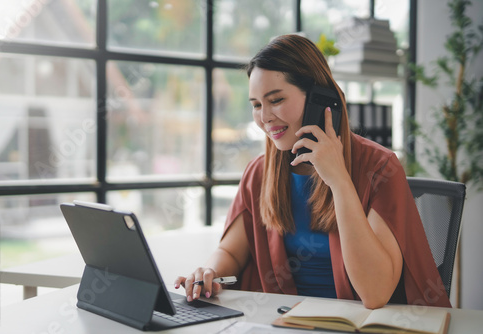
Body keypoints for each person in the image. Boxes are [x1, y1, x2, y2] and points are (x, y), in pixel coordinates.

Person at [174, 34, 451, 309]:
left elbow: (376, 293)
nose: (265, 117)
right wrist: (208, 272)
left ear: (321, 100)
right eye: (257, 105)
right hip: (283, 322)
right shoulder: (259, 172)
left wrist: (339, 180)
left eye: (276, 99)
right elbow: (230, 252)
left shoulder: (379, 167)